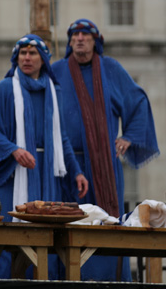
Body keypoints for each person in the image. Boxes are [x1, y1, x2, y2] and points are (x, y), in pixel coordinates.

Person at [52, 19, 159, 281]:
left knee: (104, 224)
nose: (79, 39)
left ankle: (109, 279)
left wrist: (129, 137)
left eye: (85, 35)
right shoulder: (56, 70)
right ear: (69, 42)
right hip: (66, 166)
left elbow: (138, 101)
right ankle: (67, 278)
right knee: (66, 224)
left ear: (95, 41)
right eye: (74, 35)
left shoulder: (111, 69)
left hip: (105, 168)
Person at [0, 34, 88, 279]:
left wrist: (77, 172)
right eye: (22, 53)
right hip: (14, 175)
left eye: (33, 53)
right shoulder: (5, 88)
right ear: (16, 57)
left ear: (44, 60)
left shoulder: (54, 91)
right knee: (8, 236)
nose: (27, 58)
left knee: (45, 236)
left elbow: (61, 138)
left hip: (46, 174)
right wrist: (14, 150)